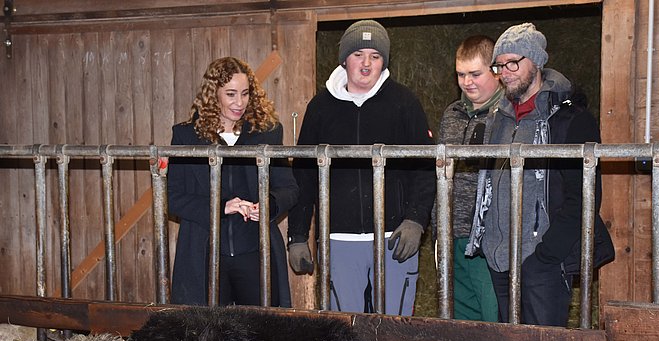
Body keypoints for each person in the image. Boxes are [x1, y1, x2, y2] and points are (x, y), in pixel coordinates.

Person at [467, 22, 614, 327]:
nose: (505, 72)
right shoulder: (499, 119)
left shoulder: (570, 120)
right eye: (499, 65)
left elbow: (584, 196)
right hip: (499, 257)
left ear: (537, 61)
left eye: (513, 63)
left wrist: (547, 256)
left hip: (541, 261)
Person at [287, 19, 435, 315]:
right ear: (344, 59)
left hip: (394, 237)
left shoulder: (404, 103)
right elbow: (303, 175)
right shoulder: (320, 108)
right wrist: (298, 234)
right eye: (358, 55)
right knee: (346, 326)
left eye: (375, 56)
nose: (366, 64)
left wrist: (416, 220)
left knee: (395, 326)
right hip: (339, 238)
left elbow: (425, 166)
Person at [168, 56, 298, 307]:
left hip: (256, 251)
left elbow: (288, 188)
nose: (240, 103)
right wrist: (220, 207)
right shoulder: (185, 135)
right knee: (208, 334)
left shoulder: (267, 132)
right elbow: (172, 197)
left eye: (245, 93)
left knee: (263, 327)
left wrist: (269, 205)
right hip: (204, 253)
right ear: (213, 94)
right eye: (231, 94)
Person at [436, 34, 504, 322]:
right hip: (451, 226)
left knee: (491, 304)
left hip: (489, 232)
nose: (467, 82)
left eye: (476, 73)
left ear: (496, 71)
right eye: (461, 74)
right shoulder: (451, 113)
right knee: (458, 302)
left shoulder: (507, 115)